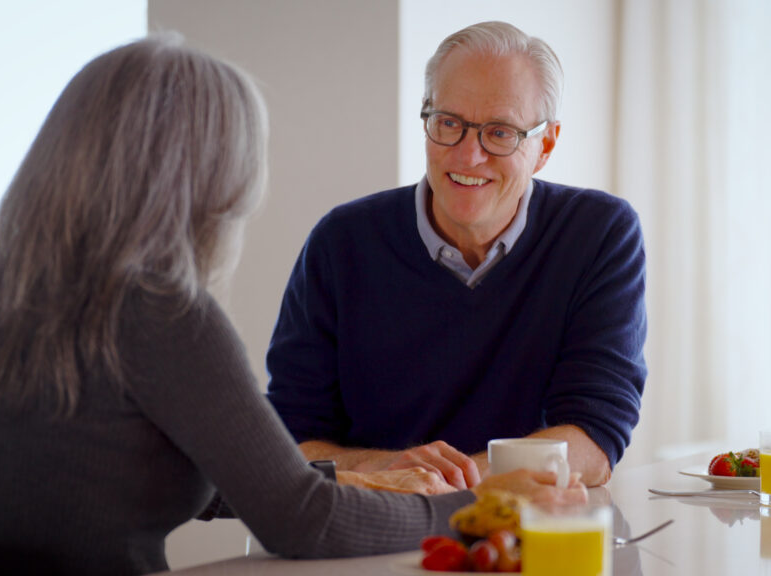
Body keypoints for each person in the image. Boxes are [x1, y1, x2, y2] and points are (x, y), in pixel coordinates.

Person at [0, 34, 588, 576]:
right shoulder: (160, 312)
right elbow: (299, 520)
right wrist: (477, 504)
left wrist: (361, 480)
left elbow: (135, 469)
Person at [266, 21, 647, 490]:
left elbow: (594, 439)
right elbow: (288, 440)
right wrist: (388, 470)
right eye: (449, 123)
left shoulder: (598, 234)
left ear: (544, 146)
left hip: (530, 534)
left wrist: (448, 483)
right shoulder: (340, 243)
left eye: (500, 133)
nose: (468, 156)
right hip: (371, 534)